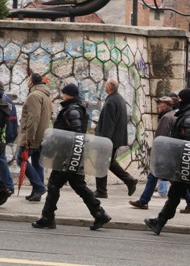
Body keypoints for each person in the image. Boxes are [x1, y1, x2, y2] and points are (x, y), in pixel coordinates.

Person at [32, 83, 111, 230]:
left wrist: (61, 148)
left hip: (66, 156)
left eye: (64, 93)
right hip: (71, 155)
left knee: (54, 185)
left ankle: (47, 217)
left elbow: (76, 134)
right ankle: (99, 214)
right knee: (78, 185)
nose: (62, 95)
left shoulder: (73, 110)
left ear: (70, 94)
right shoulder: (73, 108)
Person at [144, 88, 190, 241]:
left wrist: (181, 162)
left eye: (180, 98)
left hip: (188, 163)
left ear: (184, 100)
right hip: (187, 162)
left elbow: (189, 142)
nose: (178, 101)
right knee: (175, 194)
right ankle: (159, 222)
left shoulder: (189, 117)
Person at [94, 78, 138, 198]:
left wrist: (104, 141)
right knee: (108, 162)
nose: (104, 86)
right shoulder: (119, 99)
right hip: (115, 138)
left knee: (102, 163)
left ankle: (102, 191)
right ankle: (128, 180)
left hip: (109, 139)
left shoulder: (111, 102)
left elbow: (109, 124)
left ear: (108, 88)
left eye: (105, 85)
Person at [130, 96, 175, 209]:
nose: (158, 106)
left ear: (165, 105)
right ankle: (143, 201)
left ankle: (144, 201)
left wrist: (157, 153)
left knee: (156, 177)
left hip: (164, 153)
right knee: (170, 179)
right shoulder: (171, 115)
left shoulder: (166, 117)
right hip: (168, 152)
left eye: (159, 104)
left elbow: (161, 137)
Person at [16, 73, 52, 202]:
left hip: (32, 136)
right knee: (37, 163)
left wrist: (29, 137)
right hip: (42, 135)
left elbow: (34, 118)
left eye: (28, 79)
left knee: (21, 159)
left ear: (31, 82)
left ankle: (39, 186)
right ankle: (37, 192)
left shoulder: (34, 95)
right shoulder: (46, 95)